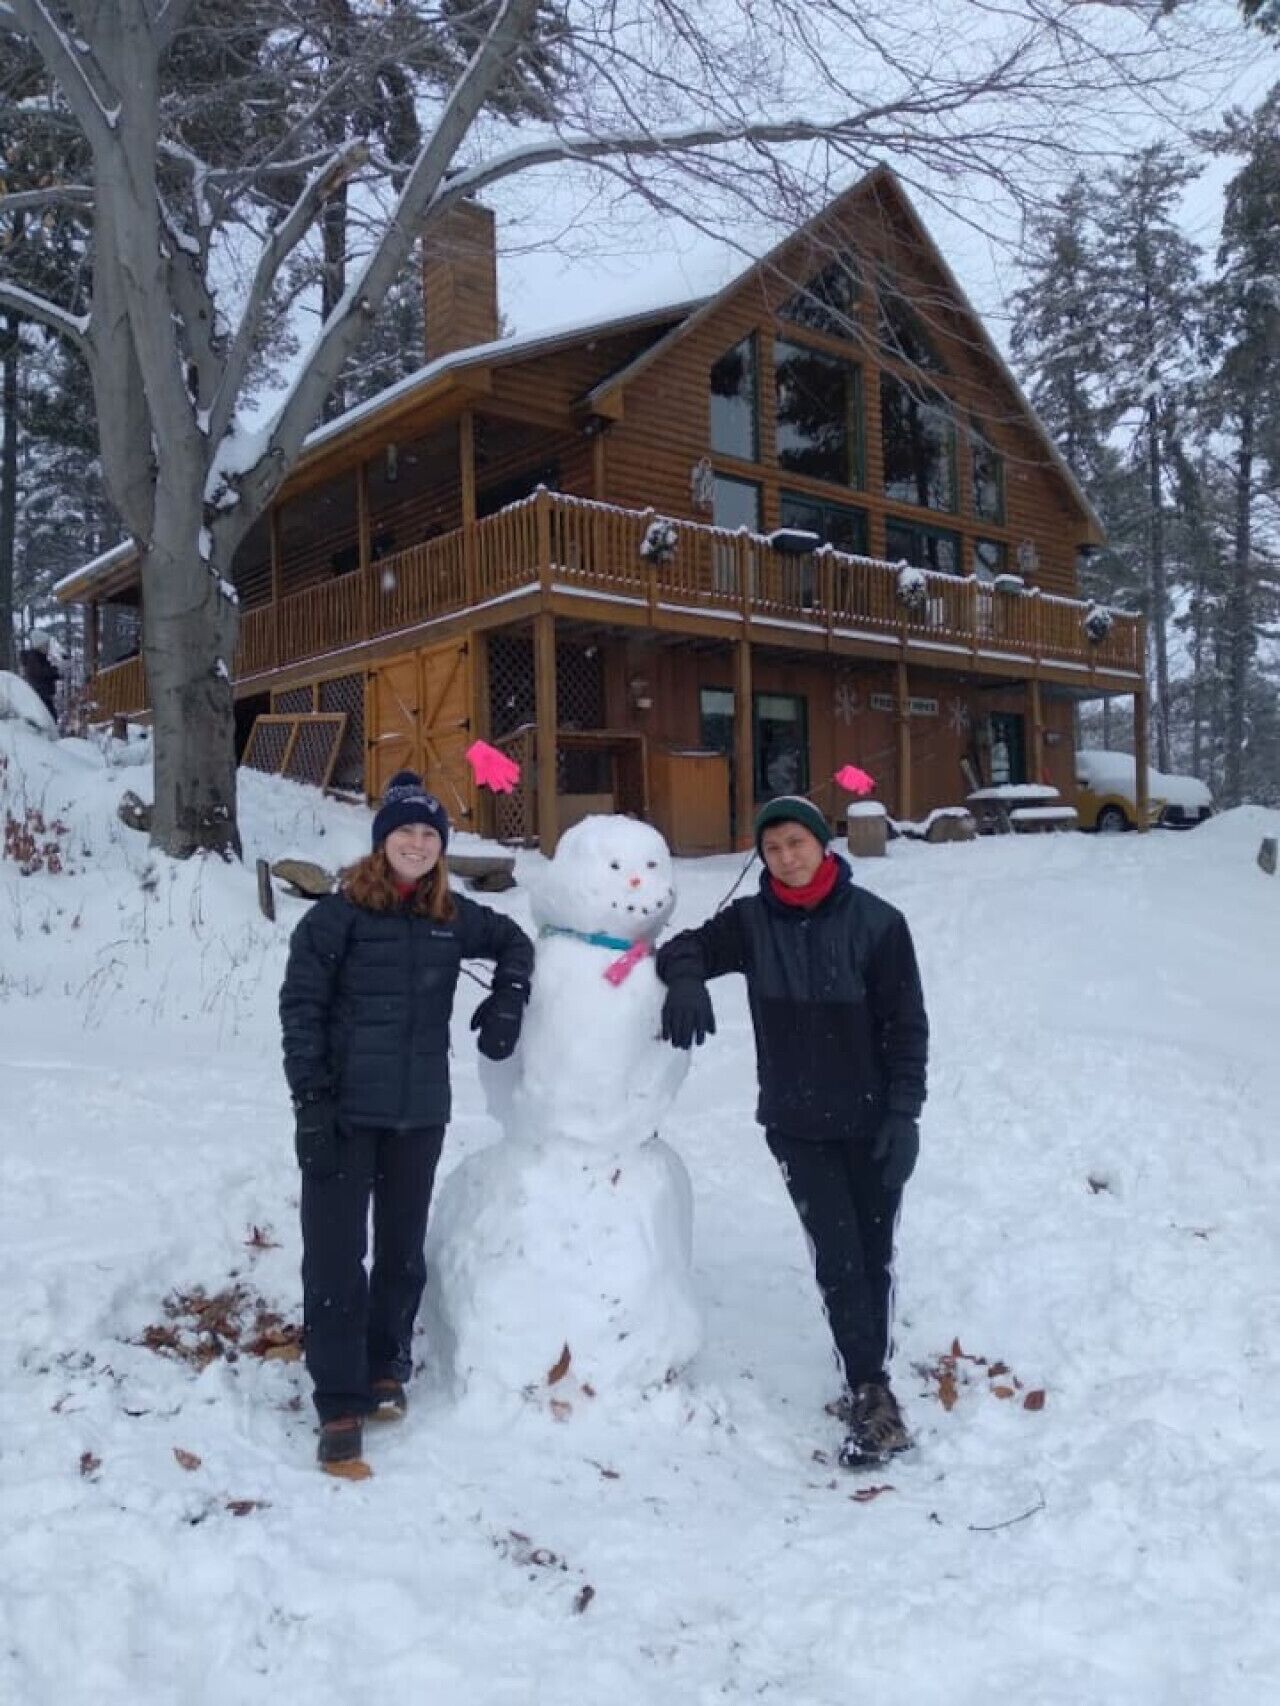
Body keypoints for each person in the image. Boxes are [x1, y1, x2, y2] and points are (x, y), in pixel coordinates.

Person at [656, 795, 928, 1469]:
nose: (786, 858)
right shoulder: (752, 923)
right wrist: (688, 981)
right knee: (838, 1259)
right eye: (772, 849)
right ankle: (870, 1388)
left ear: (821, 842)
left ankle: (869, 1367)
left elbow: (907, 1028)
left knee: (873, 1255)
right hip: (797, 1124)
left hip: (872, 1124)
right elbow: (683, 947)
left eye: (795, 844)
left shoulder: (878, 925)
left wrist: (904, 1115)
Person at [279, 770, 534, 1475]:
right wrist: (310, 1105)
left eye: (429, 834)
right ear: (382, 840)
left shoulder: (451, 916)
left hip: (419, 1112)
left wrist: (508, 1000)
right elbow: (301, 1016)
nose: (417, 844)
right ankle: (337, 1398)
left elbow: (515, 942)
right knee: (334, 1257)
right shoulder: (333, 920)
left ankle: (386, 1361)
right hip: (343, 1113)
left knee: (400, 1249)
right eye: (406, 832)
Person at [19, 631, 60, 723]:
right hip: (40, 695)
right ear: (39, 645)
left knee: (51, 718)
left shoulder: (40, 657)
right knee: (49, 719)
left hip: (43, 694)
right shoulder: (33, 658)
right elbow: (41, 673)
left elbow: (46, 672)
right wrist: (56, 671)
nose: (48, 646)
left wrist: (57, 673)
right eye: (46, 644)